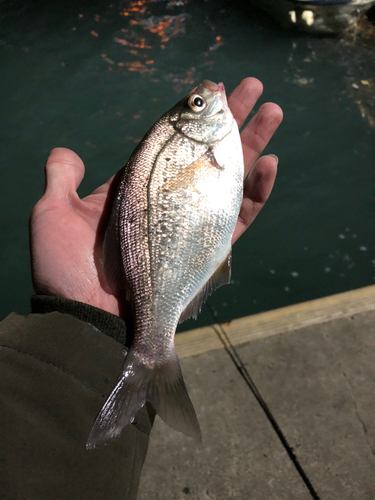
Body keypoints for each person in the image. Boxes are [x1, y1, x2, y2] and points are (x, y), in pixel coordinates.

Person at [0, 78, 283, 499]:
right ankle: (152, 358)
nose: (210, 95)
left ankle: (143, 371)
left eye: (198, 100)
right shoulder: (204, 143)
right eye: (199, 103)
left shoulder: (205, 142)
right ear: (188, 125)